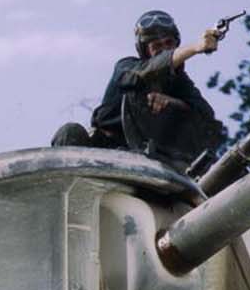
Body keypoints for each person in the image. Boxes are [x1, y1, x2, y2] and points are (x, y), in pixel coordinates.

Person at [53, 10, 225, 170]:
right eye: (156, 46)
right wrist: (195, 47)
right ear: (145, 51)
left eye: (169, 43)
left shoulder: (180, 84)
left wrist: (172, 102)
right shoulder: (127, 67)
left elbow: (206, 118)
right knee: (69, 132)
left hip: (156, 160)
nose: (165, 49)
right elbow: (142, 75)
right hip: (102, 156)